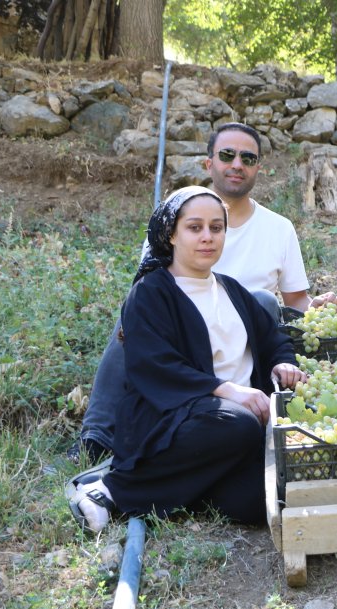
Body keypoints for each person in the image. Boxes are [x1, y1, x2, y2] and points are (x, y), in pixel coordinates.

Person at [72, 123, 337, 462]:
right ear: (209, 163)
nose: (237, 164)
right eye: (227, 155)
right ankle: (97, 434)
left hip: (245, 337)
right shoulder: (175, 217)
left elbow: (296, 302)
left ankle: (246, 409)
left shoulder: (278, 229)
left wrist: (318, 310)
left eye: (248, 158)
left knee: (261, 300)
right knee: (133, 315)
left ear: (258, 167)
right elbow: (150, 294)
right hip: (182, 340)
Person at [68, 186, 305, 532]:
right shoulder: (151, 294)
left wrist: (283, 362)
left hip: (240, 430)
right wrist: (226, 391)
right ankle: (110, 490)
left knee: (254, 502)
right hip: (176, 420)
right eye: (195, 228)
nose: (208, 237)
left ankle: (182, 488)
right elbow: (156, 367)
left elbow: (274, 339)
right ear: (171, 234)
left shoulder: (231, 290)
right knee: (237, 424)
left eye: (216, 228)